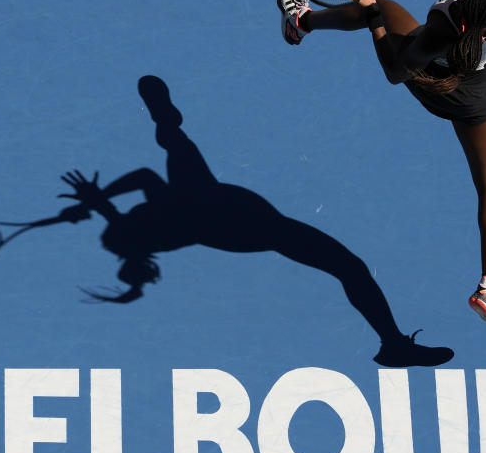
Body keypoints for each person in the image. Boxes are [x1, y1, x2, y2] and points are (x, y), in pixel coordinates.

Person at [56, 76, 454, 367]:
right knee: (348, 266)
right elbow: (142, 180)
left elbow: (133, 205)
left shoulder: (145, 234)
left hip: (227, 218)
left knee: (347, 267)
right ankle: (394, 345)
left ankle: (393, 344)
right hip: (230, 216)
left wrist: (96, 203)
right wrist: (96, 200)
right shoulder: (151, 222)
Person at [276, 0, 486, 328]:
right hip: (476, 95)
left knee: (384, 6)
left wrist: (372, 13)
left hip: (431, 83)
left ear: (462, 2)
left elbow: (395, 72)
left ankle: (301, 22)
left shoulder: (440, 27)